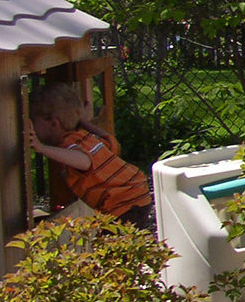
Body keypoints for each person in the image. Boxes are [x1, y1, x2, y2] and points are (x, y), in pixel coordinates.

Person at [27, 82, 153, 229]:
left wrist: (41, 148)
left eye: (33, 121)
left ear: (54, 124)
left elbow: (84, 161)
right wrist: (83, 122)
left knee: (109, 247)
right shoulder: (86, 137)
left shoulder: (69, 143)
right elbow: (110, 141)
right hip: (138, 195)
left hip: (122, 205)